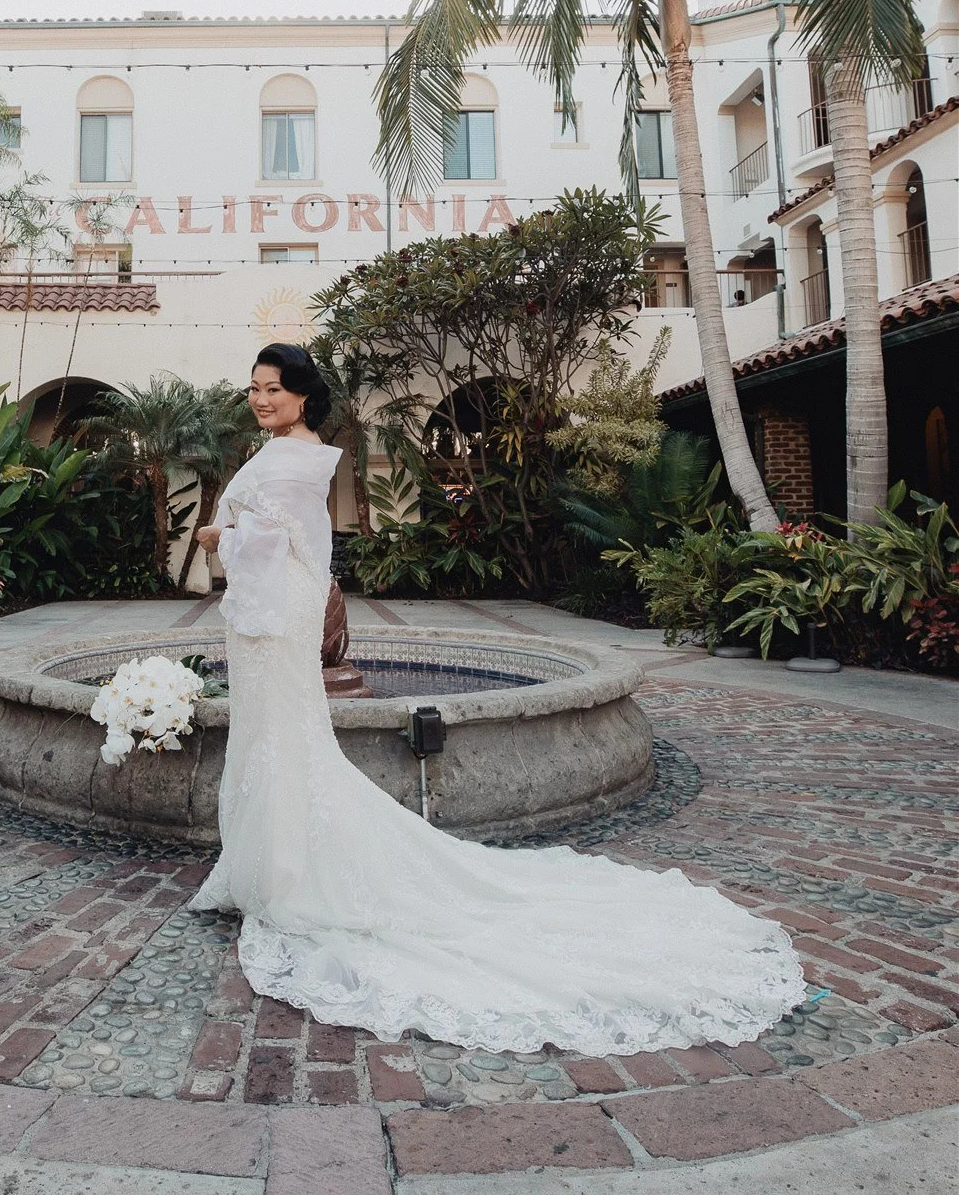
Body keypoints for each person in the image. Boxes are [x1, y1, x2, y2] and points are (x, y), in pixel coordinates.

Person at [191, 341, 805, 1055]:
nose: (260, 400)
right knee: (278, 734)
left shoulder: (294, 459)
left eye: (272, 388)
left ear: (302, 394)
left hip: (272, 614)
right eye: (254, 388)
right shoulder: (293, 453)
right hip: (272, 612)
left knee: (281, 734)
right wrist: (235, 536)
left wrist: (217, 536)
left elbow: (269, 546)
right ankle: (272, 863)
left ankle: (287, 874)